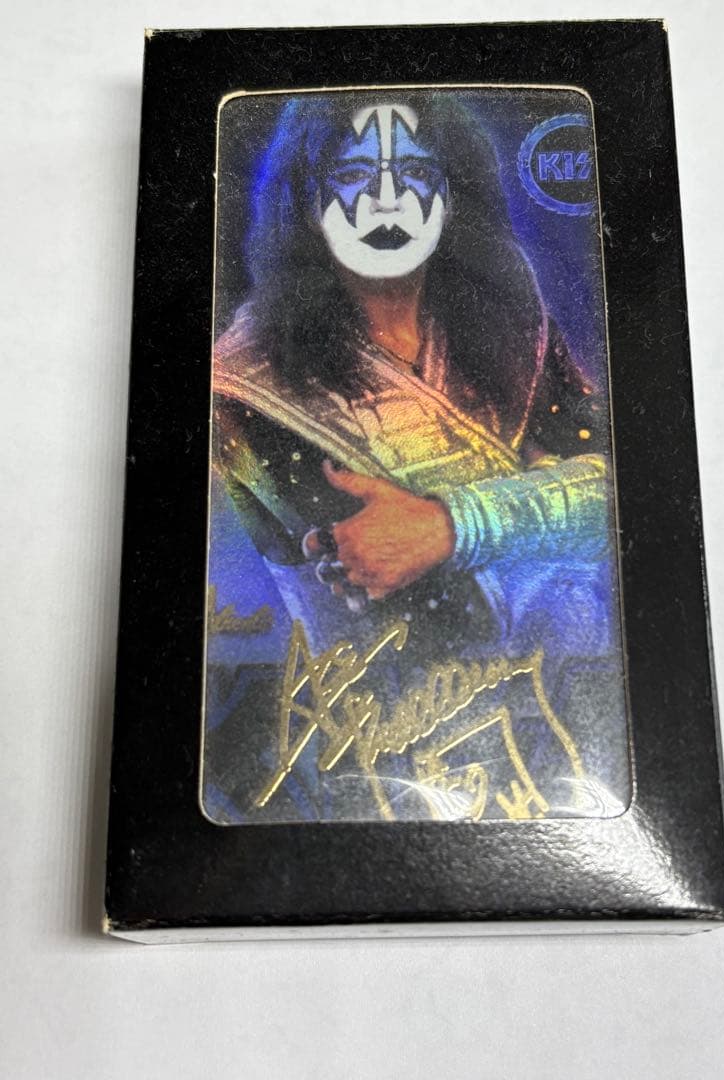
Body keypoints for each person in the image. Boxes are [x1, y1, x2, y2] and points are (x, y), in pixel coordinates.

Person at [206, 93, 627, 822]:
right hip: (376, 745)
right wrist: (536, 505)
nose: (387, 201)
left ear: (451, 195)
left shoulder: (512, 324)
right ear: (307, 198)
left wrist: (453, 524)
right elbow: (438, 606)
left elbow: (618, 501)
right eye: (353, 176)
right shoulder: (250, 388)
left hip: (556, 729)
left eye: (417, 175)